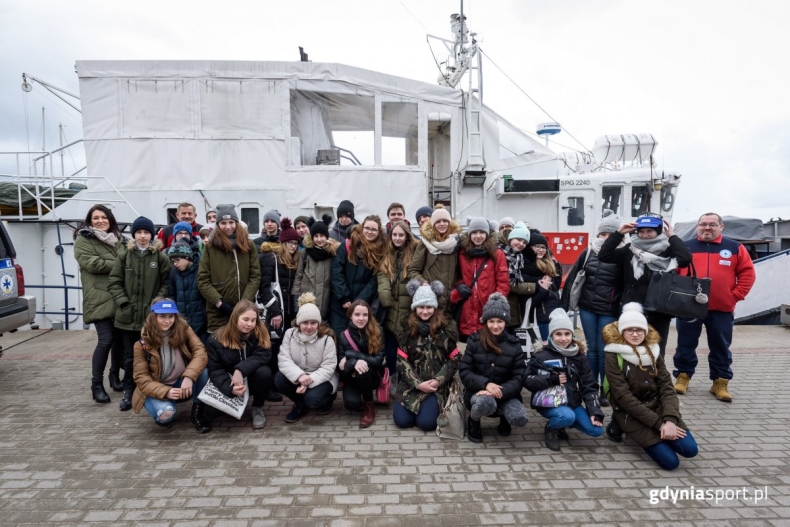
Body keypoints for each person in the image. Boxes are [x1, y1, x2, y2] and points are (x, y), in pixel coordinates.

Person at [603, 303, 699, 470]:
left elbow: (667, 388)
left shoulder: (654, 352)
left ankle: (660, 435)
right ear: (622, 332)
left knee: (690, 450)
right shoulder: (613, 354)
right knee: (671, 463)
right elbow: (623, 397)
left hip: (657, 406)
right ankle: (618, 423)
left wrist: (670, 420)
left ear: (646, 331)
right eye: (629, 330)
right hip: (630, 410)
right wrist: (660, 425)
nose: (635, 334)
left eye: (639, 330)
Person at [673, 213, 756, 402]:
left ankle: (720, 382)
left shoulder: (735, 248)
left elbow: (747, 273)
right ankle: (683, 376)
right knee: (685, 344)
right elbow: (674, 274)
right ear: (697, 226)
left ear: (721, 227)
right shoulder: (685, 247)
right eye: (703, 224)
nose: (707, 228)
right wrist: (679, 299)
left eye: (712, 224)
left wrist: (734, 296)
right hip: (689, 308)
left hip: (721, 308)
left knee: (721, 346)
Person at [598, 212, 692, 356]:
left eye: (650, 231)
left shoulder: (668, 249)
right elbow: (604, 255)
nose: (645, 235)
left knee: (657, 349)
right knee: (630, 348)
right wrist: (618, 233)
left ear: (659, 231)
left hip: (660, 308)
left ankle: (656, 371)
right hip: (633, 306)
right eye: (641, 231)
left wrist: (672, 236)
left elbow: (685, 259)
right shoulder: (629, 249)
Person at [108, 216, 172, 411]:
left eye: (146, 232)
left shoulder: (160, 258)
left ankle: (149, 389)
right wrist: (123, 302)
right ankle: (129, 391)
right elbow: (114, 281)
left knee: (152, 355)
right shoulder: (124, 256)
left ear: (151, 235)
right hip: (128, 316)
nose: (142, 236)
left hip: (150, 317)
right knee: (130, 357)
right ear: (134, 235)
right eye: (139, 232)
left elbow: (166, 283)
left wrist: (157, 303)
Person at [561, 210, 623, 407]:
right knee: (592, 349)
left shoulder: (623, 254)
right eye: (602, 234)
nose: (605, 238)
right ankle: (591, 388)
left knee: (605, 350)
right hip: (587, 307)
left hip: (609, 309)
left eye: (610, 234)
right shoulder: (588, 251)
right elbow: (572, 277)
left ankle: (606, 389)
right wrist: (564, 306)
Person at [524, 309, 604, 451]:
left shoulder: (580, 357)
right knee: (567, 416)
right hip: (549, 403)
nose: (563, 338)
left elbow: (589, 386)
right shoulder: (541, 355)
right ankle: (551, 428)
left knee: (596, 430)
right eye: (558, 334)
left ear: (572, 335)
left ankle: (562, 425)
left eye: (567, 334)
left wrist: (595, 411)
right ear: (551, 335)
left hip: (572, 403)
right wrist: (550, 379)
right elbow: (527, 381)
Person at [131, 299, 211, 433]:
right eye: (162, 316)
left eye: (171, 316)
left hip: (181, 382)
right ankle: (166, 405)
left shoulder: (183, 329)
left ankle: (197, 413)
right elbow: (141, 379)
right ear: (153, 317)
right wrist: (166, 391)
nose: (167, 321)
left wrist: (189, 377)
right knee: (165, 416)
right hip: (157, 387)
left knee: (204, 372)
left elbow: (200, 352)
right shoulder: (141, 344)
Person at [74, 204, 127, 403]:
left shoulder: (119, 239)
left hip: (119, 296)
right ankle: (96, 384)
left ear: (110, 220)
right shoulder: (83, 240)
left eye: (104, 217)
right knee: (106, 340)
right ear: (89, 221)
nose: (100, 221)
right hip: (98, 298)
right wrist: (124, 265)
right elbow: (92, 264)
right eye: (96, 218)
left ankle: (114, 376)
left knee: (119, 340)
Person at [459, 293, 528, 443]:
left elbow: (519, 377)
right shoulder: (474, 341)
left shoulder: (514, 345)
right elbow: (465, 372)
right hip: (479, 392)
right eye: (491, 321)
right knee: (485, 403)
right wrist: (486, 385)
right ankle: (474, 420)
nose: (495, 326)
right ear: (485, 321)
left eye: (500, 321)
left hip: (506, 393)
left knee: (519, 418)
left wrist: (498, 391)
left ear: (506, 322)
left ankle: (504, 417)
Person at [393, 280, 460, 431]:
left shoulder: (445, 329)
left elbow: (455, 358)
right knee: (402, 421)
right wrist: (417, 384)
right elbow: (402, 360)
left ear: (434, 308)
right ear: (415, 308)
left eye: (429, 307)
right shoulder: (406, 329)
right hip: (411, 386)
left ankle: (429, 407)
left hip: (436, 387)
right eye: (421, 307)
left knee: (426, 424)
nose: (425, 311)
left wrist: (438, 380)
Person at [206, 300, 274, 429]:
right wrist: (229, 388)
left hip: (252, 378)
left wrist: (240, 370)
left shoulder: (261, 332)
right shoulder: (215, 339)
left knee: (264, 372)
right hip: (229, 380)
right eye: (245, 319)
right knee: (211, 413)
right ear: (235, 317)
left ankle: (257, 407)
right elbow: (215, 370)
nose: (249, 324)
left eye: (253, 320)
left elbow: (263, 355)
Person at [275, 293, 340, 422]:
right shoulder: (289, 334)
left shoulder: (327, 339)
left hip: (322, 377)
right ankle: (300, 405)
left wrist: (308, 380)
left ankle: (328, 399)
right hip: (299, 375)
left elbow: (328, 367)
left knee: (312, 399)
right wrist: (299, 376)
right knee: (279, 379)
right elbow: (284, 359)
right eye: (305, 322)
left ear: (318, 323)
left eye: (313, 323)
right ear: (299, 322)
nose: (309, 327)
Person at [198, 204, 262, 333]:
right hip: (218, 313)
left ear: (236, 223)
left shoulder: (248, 245)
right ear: (218, 224)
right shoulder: (211, 247)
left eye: (231, 222)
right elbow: (202, 280)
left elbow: (255, 276)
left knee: (243, 343)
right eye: (223, 223)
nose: (228, 227)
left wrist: (244, 302)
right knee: (219, 344)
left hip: (244, 312)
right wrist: (219, 303)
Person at [258, 218, 302, 401]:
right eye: (290, 243)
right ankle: (267, 388)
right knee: (270, 349)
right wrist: (275, 312)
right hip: (274, 312)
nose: (293, 246)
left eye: (296, 243)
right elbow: (263, 288)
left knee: (283, 349)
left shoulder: (293, 261)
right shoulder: (271, 258)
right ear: (282, 242)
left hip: (289, 312)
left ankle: (278, 383)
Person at [450, 217, 509, 341]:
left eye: (482, 232)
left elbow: (503, 283)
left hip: (487, 309)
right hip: (467, 309)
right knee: (468, 347)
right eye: (474, 232)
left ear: (487, 234)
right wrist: (460, 285)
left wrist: (493, 305)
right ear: (469, 234)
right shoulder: (462, 253)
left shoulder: (497, 254)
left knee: (487, 345)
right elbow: (456, 275)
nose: (478, 236)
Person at [329, 215, 388, 335]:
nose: (369, 232)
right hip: (340, 304)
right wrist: (343, 297)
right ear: (362, 227)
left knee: (358, 338)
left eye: (373, 229)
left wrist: (359, 302)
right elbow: (336, 271)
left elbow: (374, 281)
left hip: (362, 306)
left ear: (379, 232)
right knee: (338, 337)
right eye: (367, 228)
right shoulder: (348, 245)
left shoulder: (381, 251)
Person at [376, 221, 418, 378]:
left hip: (408, 309)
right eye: (394, 234)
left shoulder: (414, 252)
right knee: (391, 348)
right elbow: (382, 274)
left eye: (401, 235)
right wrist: (384, 293)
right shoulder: (386, 252)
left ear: (407, 236)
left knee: (408, 348)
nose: (397, 238)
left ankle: (408, 378)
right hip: (391, 309)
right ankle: (391, 378)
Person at [337, 300, 386, 428]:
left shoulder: (378, 331)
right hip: (351, 376)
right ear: (350, 316)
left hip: (372, 376)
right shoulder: (343, 336)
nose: (361, 318)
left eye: (365, 315)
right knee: (351, 404)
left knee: (362, 370)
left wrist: (351, 355)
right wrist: (354, 362)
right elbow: (341, 367)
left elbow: (378, 361)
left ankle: (369, 406)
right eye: (357, 314)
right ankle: (360, 400)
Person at [407, 205, 462, 314]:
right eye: (438, 222)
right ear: (433, 224)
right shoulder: (425, 243)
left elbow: (460, 272)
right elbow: (413, 270)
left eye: (445, 221)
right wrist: (424, 283)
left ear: (449, 223)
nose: (442, 224)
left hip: (451, 303)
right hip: (430, 302)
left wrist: (457, 288)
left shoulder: (456, 243)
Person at [294, 215, 338, 322]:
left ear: (327, 236)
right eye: (316, 236)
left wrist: (334, 247)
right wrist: (295, 301)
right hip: (307, 301)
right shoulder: (304, 253)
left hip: (325, 301)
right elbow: (298, 277)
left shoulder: (332, 253)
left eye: (322, 236)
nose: (319, 239)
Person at [522, 230, 562, 343]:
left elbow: (555, 289)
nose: (541, 250)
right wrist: (543, 289)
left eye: (543, 247)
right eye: (537, 246)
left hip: (554, 315)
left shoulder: (549, 266)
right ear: (529, 248)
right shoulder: (525, 268)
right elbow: (528, 304)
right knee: (545, 348)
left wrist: (557, 268)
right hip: (540, 319)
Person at [167, 240, 207, 343]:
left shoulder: (200, 271)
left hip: (201, 323)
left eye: (177, 260)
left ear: (187, 257)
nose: (175, 264)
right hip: (181, 323)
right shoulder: (173, 274)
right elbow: (171, 296)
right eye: (173, 261)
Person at [501, 222, 537, 334]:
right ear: (511, 238)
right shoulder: (501, 254)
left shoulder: (518, 256)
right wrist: (534, 287)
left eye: (525, 242)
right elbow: (508, 283)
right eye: (519, 239)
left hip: (513, 306)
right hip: (502, 305)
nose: (521, 244)